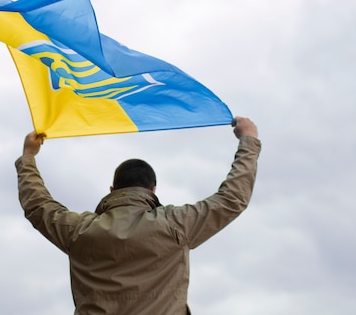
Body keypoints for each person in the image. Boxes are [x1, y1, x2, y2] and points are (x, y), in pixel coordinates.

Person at [15, 116, 261, 314]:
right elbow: (231, 199)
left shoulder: (79, 231)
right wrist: (248, 140)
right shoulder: (175, 225)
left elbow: (37, 205)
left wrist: (29, 157)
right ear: (153, 190)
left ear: (112, 190)